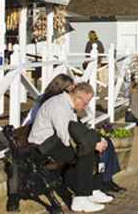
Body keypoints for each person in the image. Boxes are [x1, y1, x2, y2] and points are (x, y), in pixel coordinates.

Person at [28, 82, 113, 212]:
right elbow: (66, 138)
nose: (85, 107)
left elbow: (75, 131)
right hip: (43, 146)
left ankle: (93, 189)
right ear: (77, 98)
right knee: (86, 152)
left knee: (93, 145)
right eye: (85, 103)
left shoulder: (68, 104)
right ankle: (80, 198)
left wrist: (97, 140)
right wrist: (92, 144)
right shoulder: (59, 106)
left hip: (55, 141)